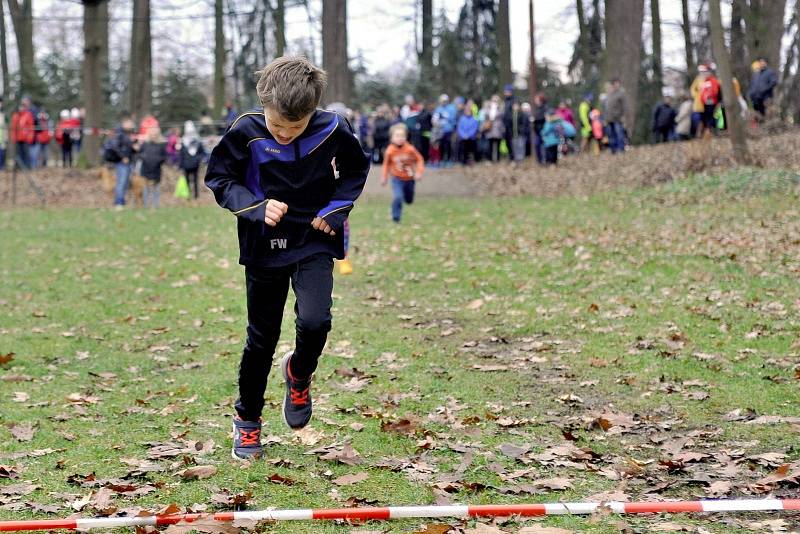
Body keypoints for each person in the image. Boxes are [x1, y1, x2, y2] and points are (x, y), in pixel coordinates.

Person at [204, 56, 370, 461]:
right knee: (261, 337)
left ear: (312, 111)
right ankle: (247, 421)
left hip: (313, 235)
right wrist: (256, 206)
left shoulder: (333, 127)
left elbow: (354, 172)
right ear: (264, 103)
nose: (284, 134)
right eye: (277, 125)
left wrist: (335, 211)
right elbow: (220, 179)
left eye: (294, 127)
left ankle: (299, 373)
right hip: (264, 241)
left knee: (316, 320)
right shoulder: (245, 130)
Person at [381, 123, 424, 223]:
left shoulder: (410, 149)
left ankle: (407, 199)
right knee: (398, 197)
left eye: (402, 136)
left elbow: (420, 159)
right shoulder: (390, 151)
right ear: (391, 138)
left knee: (409, 200)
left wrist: (419, 172)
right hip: (397, 179)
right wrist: (384, 177)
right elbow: (386, 165)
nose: (400, 138)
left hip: (409, 179)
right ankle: (396, 217)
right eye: (397, 136)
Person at [108, 115, 136, 206]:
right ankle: (118, 202)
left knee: (126, 183)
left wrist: (134, 148)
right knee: (121, 182)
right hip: (121, 162)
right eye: (130, 123)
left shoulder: (128, 134)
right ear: (125, 123)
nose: (132, 125)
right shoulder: (119, 133)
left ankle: (122, 201)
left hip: (129, 161)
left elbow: (128, 148)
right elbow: (115, 146)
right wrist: (122, 157)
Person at [138, 126, 167, 208]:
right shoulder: (145, 144)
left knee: (156, 188)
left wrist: (159, 160)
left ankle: (155, 205)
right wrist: (144, 158)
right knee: (145, 188)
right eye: (152, 134)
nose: (153, 136)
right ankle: (145, 205)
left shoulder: (161, 145)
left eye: (155, 134)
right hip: (145, 169)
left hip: (156, 169)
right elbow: (139, 154)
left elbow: (164, 157)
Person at [179, 121, 206, 200]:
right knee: (187, 181)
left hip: (195, 164)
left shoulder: (197, 140)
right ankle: (189, 195)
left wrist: (198, 159)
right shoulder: (184, 141)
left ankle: (196, 196)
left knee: (195, 180)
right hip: (186, 164)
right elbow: (182, 153)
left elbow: (202, 152)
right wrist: (181, 164)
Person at [11, 98, 35, 169]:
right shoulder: (15, 116)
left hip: (26, 138)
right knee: (18, 153)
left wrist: (30, 137)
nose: (21, 108)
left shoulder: (28, 115)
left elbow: (31, 127)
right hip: (18, 138)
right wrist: (13, 137)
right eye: (20, 106)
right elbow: (13, 128)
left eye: (23, 106)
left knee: (26, 153)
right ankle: (19, 167)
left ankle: (27, 167)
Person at [433, 94, 457, 166]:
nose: (443, 102)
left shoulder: (452, 108)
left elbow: (453, 119)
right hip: (440, 131)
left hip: (449, 130)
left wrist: (445, 117)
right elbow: (435, 118)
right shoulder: (438, 109)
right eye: (442, 101)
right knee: (441, 145)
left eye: (445, 101)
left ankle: (450, 159)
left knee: (449, 145)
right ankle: (442, 160)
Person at [605, 78, 627, 154]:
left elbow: (624, 106)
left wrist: (623, 116)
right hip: (609, 118)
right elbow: (607, 107)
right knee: (611, 135)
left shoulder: (621, 93)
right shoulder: (610, 94)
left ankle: (621, 149)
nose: (616, 85)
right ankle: (613, 150)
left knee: (619, 133)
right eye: (615, 83)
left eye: (618, 83)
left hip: (617, 118)